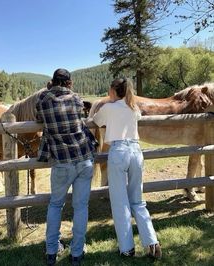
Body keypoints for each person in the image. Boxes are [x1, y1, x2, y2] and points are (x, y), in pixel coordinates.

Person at [92, 78, 162, 259]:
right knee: (138, 200)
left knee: (120, 202)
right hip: (136, 152)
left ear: (114, 91)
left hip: (119, 152)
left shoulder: (108, 107)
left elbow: (96, 121)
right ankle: (152, 241)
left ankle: (127, 248)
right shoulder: (133, 108)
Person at [35, 68, 96, 266]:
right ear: (69, 83)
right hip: (83, 157)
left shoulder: (43, 100)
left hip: (61, 162)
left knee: (55, 205)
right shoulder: (77, 99)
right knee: (81, 207)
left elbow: (38, 118)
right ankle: (77, 253)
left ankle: (51, 251)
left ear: (52, 82)